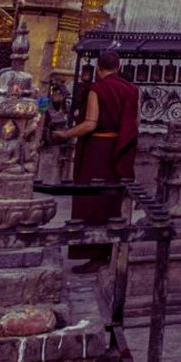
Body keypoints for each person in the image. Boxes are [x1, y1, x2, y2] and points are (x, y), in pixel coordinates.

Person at [51, 49, 142, 273]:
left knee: (92, 200)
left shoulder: (96, 89)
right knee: (112, 199)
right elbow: (135, 122)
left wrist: (65, 134)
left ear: (99, 69)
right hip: (120, 149)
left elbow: (91, 123)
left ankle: (95, 252)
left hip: (97, 150)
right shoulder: (133, 90)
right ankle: (112, 247)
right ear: (119, 67)